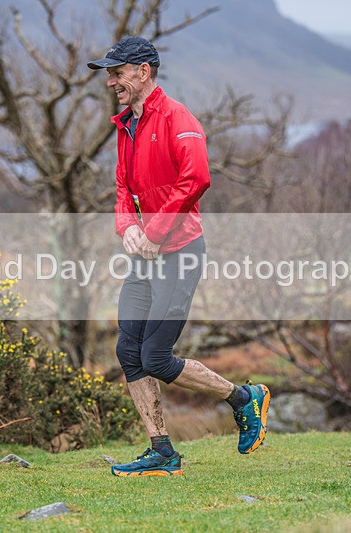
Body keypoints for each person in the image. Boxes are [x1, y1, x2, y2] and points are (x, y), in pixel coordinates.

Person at [88, 36, 270, 477]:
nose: (111, 80)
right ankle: (162, 452)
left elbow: (196, 179)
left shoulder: (177, 118)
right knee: (128, 352)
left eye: (118, 72)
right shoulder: (125, 125)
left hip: (180, 251)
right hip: (144, 256)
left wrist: (154, 230)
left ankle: (245, 399)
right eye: (109, 74)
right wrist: (127, 226)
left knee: (155, 357)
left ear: (143, 71)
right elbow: (122, 187)